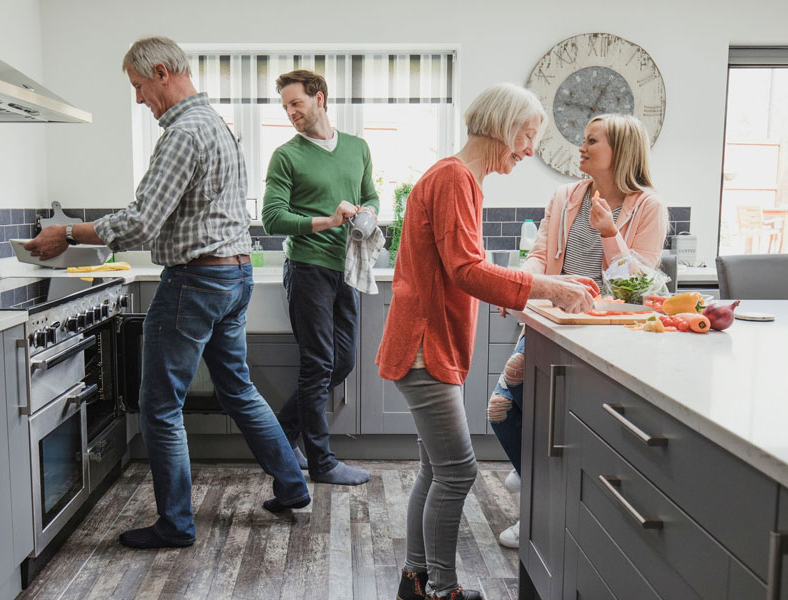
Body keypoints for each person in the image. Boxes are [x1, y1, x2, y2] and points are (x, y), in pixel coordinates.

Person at [24, 37, 310, 549]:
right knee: (238, 389)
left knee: (159, 404)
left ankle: (175, 524)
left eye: (137, 86)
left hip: (196, 282)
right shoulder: (219, 126)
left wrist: (67, 233)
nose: (138, 99)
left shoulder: (183, 133)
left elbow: (140, 221)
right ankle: (293, 487)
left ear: (160, 72)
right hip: (233, 275)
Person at [375, 83, 599, 600]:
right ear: (503, 126)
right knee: (458, 471)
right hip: (425, 348)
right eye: (527, 136)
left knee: (436, 469)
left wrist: (517, 289)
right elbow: (467, 270)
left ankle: (416, 581)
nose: (527, 150)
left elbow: (461, 269)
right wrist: (549, 287)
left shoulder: (456, 176)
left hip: (426, 346)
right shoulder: (456, 177)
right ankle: (442, 591)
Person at [489, 113, 669, 549]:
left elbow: (638, 285)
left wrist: (610, 232)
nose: (581, 148)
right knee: (500, 409)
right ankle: (535, 482)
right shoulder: (566, 196)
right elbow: (538, 255)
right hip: (554, 319)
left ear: (620, 151)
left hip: (605, 332)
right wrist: (517, 288)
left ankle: (542, 509)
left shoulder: (648, 207)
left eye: (592, 141)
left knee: (570, 427)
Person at [262, 70, 379, 486]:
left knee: (341, 360)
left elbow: (371, 195)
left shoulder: (357, 148)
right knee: (317, 366)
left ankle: (278, 436)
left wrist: (368, 214)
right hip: (308, 267)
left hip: (346, 267)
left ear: (320, 99)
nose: (291, 112)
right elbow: (272, 219)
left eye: (296, 103)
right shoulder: (286, 156)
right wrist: (327, 220)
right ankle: (323, 462)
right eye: (286, 107)